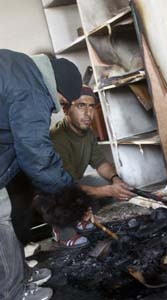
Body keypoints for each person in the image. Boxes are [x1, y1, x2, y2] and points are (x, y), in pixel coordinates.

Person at [0, 49, 82, 300]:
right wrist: (69, 196)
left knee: (6, 215)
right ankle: (13, 293)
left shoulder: (21, 67)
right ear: (57, 87)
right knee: (1, 221)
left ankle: (20, 276)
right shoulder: (31, 90)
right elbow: (37, 155)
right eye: (63, 101)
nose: (59, 108)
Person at [50, 86, 134, 244]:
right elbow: (66, 187)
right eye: (81, 106)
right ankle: (61, 231)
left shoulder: (87, 132)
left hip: (71, 185)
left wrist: (115, 179)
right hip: (50, 193)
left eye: (92, 106)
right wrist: (109, 191)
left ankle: (84, 218)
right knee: (67, 193)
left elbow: (100, 163)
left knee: (103, 181)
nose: (88, 113)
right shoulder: (57, 139)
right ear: (66, 109)